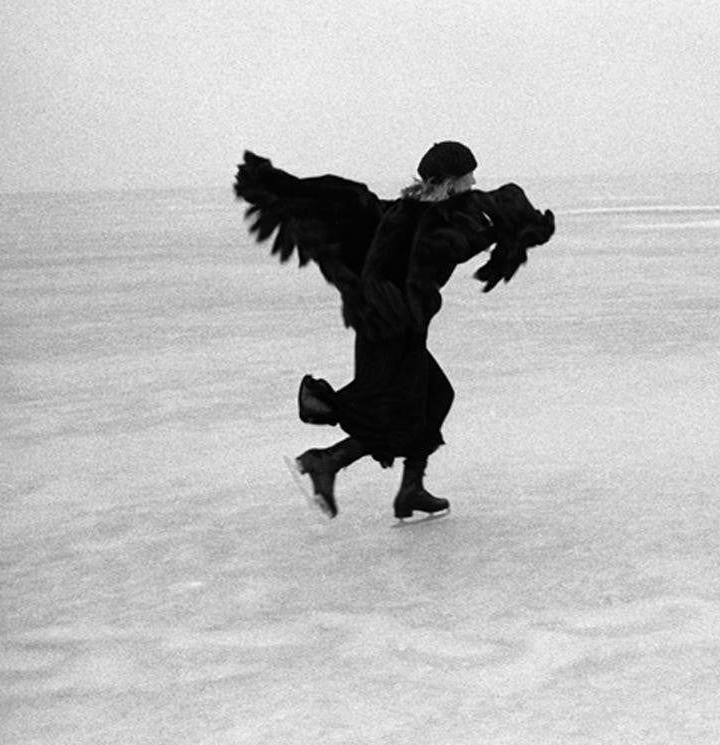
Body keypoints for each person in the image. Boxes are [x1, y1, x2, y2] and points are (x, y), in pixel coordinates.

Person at [234, 141, 555, 521]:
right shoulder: (425, 221)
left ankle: (409, 489)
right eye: (468, 177)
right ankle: (326, 461)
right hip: (389, 328)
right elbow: (455, 243)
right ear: (449, 182)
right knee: (396, 414)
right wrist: (504, 230)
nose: (473, 183)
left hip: (392, 325)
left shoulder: (406, 211)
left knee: (435, 396)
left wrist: (501, 224)